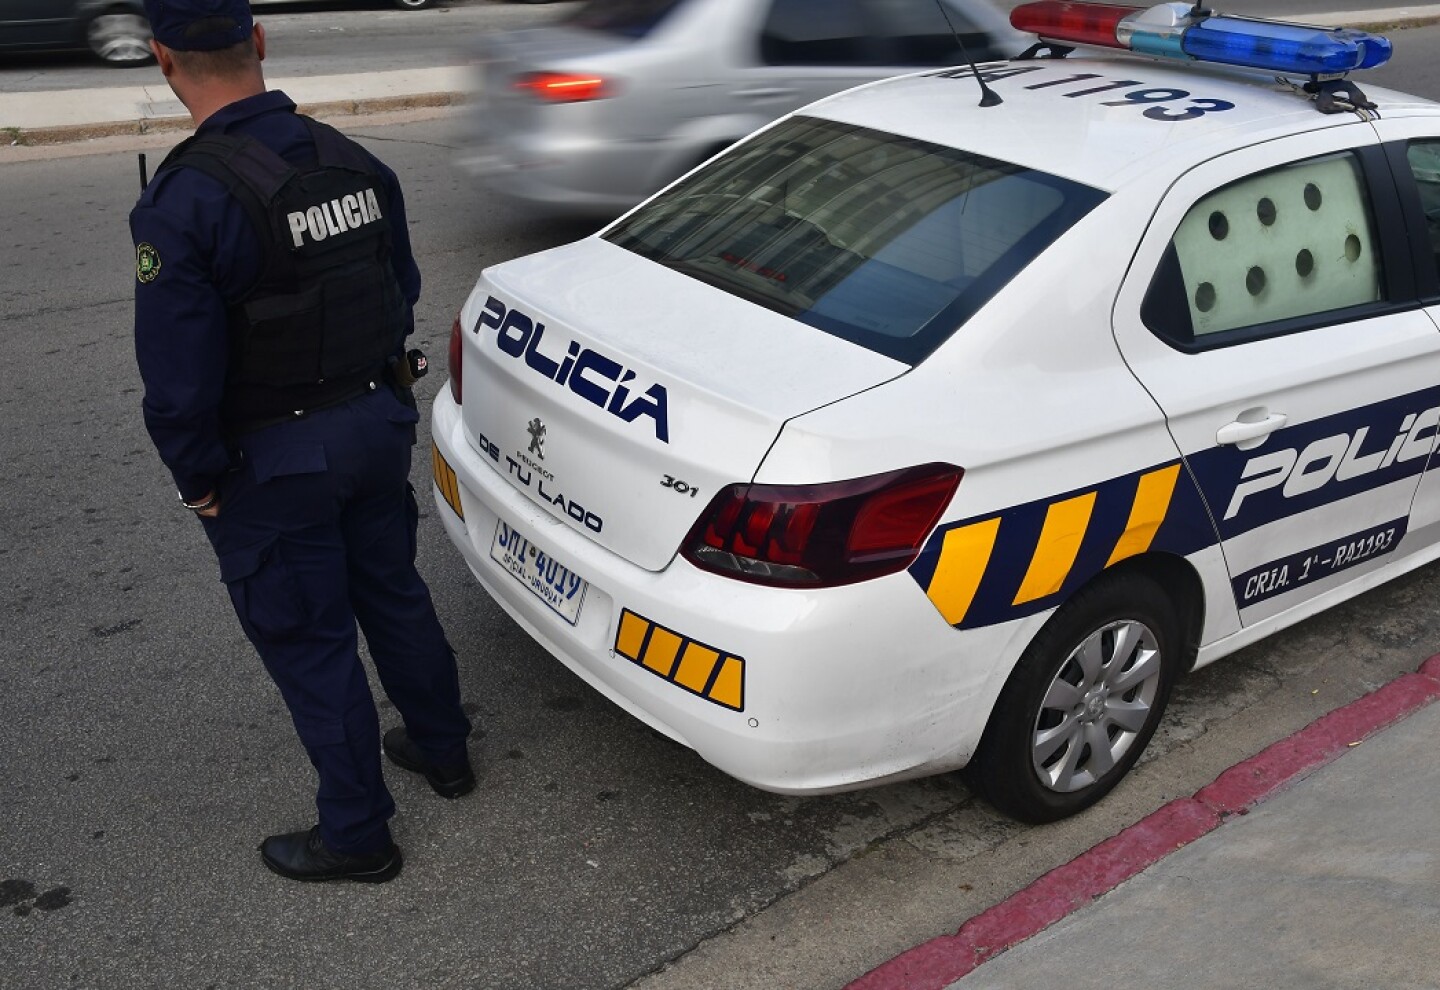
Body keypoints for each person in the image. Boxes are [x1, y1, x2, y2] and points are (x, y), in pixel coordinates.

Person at [130, 0, 473, 884]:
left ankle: (358, 837)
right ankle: (444, 751)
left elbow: (178, 382)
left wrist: (198, 480)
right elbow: (399, 288)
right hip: (371, 420)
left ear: (163, 59)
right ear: (259, 41)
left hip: (272, 459)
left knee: (312, 643)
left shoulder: (187, 199)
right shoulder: (353, 160)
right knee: (392, 593)